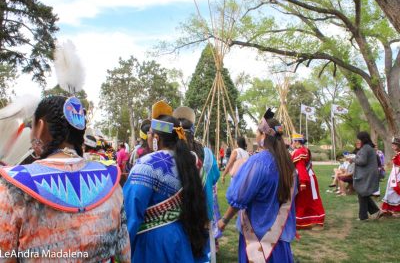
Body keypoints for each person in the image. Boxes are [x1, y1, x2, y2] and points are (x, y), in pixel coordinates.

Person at [0, 95, 130, 261]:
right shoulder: (110, 180)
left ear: (40, 127)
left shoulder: (12, 187)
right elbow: (124, 254)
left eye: (32, 126)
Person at [123, 101, 208, 262]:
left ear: (156, 138)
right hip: (182, 238)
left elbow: (132, 213)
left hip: (152, 244)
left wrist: (123, 250)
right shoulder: (192, 162)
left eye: (149, 133)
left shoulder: (147, 164)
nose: (148, 136)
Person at [218, 109, 296, 262]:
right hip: (279, 239)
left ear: (264, 136)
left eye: (257, 133)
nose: (256, 136)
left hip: (255, 237)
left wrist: (224, 220)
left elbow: (239, 196)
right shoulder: (288, 164)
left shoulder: (259, 162)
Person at [173, 106, 221, 262]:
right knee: (201, 250)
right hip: (202, 209)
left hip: (179, 211)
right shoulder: (206, 153)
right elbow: (215, 177)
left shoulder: (171, 154)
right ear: (193, 132)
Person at [291, 133, 325, 229]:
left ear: (297, 142)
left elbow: (301, 167)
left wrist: (302, 182)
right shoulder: (304, 150)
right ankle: (313, 220)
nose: (291, 143)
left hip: (305, 178)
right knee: (310, 199)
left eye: (293, 141)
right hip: (308, 177)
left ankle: (310, 221)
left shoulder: (299, 152)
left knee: (304, 200)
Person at [353, 131, 382, 220]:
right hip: (368, 173)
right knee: (363, 194)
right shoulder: (368, 147)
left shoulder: (366, 148)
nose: (358, 140)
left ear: (363, 139)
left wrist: (353, 159)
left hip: (366, 174)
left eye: (359, 138)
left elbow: (362, 161)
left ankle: (363, 217)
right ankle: (376, 211)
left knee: (362, 193)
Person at [381, 137, 400, 215]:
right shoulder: (397, 154)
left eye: (394, 145)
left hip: (397, 174)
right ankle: (390, 208)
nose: (392, 146)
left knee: (394, 190)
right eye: (392, 145)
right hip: (394, 174)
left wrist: (397, 177)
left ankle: (396, 209)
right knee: (390, 190)